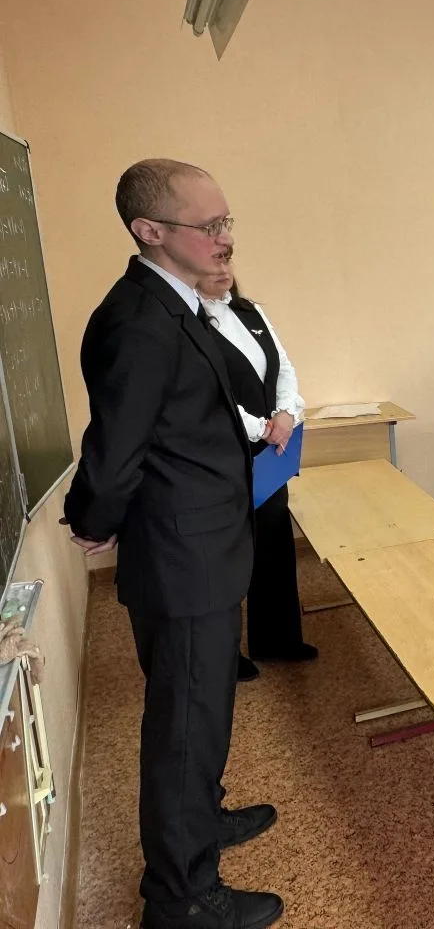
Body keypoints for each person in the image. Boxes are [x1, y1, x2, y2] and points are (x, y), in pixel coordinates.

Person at [63, 160, 283, 928]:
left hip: (205, 550)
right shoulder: (139, 321)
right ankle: (182, 897)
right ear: (149, 230)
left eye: (227, 222)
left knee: (203, 713)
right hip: (182, 559)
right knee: (184, 729)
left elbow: (204, 412)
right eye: (209, 226)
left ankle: (202, 819)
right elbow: (114, 447)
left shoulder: (181, 304)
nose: (226, 239)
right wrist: (93, 519)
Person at [194, 267, 316, 683]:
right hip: (225, 450)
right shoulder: (187, 322)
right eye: (213, 262)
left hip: (269, 451)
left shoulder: (250, 311)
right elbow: (209, 396)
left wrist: (286, 414)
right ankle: (223, 657)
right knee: (225, 554)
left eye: (227, 259)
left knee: (273, 540)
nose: (223, 270)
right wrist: (262, 427)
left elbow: (284, 370)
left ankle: (277, 639)